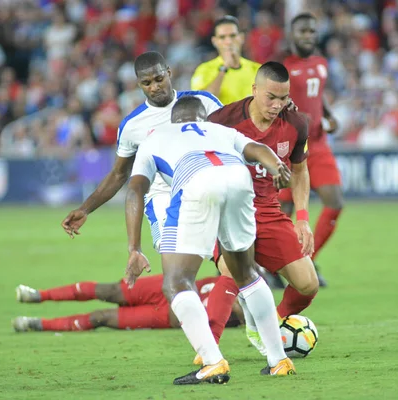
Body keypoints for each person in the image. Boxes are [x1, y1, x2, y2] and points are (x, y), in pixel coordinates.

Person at [125, 96, 296, 385]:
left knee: (176, 282)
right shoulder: (219, 130)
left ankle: (213, 361)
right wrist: (277, 166)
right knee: (246, 273)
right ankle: (279, 360)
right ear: (203, 118)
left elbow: (135, 191)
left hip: (197, 181)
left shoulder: (155, 137)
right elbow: (256, 149)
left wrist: (134, 247)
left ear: (173, 120)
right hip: (239, 178)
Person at [203, 61, 319, 359]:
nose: (278, 105)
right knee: (232, 271)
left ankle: (265, 322)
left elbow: (301, 171)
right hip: (228, 210)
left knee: (308, 284)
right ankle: (207, 350)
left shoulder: (296, 124)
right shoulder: (222, 120)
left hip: (268, 210)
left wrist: (303, 219)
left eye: (284, 98)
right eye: (271, 97)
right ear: (254, 90)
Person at [61, 51, 222, 251]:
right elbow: (119, 174)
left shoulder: (204, 102)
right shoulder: (132, 125)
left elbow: (232, 142)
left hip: (210, 190)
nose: (154, 87)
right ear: (139, 85)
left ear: (169, 73)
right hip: (163, 196)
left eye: (159, 79)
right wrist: (85, 209)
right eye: (147, 83)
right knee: (175, 263)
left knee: (229, 263)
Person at [277, 13, 344, 286]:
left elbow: (318, 94)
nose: (308, 36)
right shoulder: (281, 67)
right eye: (303, 31)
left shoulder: (321, 64)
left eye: (312, 31)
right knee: (283, 212)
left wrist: (328, 114)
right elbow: (272, 102)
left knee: (335, 202)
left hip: (318, 145)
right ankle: (279, 267)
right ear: (292, 35)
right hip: (290, 149)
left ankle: (307, 260)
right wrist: (293, 117)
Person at [12, 275, 243, 332]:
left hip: (166, 314)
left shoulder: (246, 309)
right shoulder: (234, 273)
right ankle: (39, 294)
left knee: (101, 318)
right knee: (110, 290)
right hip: (170, 285)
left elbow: (239, 313)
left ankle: (38, 324)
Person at [191, 16, 261, 105]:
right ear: (214, 41)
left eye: (233, 36)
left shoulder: (257, 69)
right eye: (222, 37)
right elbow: (203, 102)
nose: (228, 42)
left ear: (242, 38)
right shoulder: (204, 70)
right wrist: (224, 68)